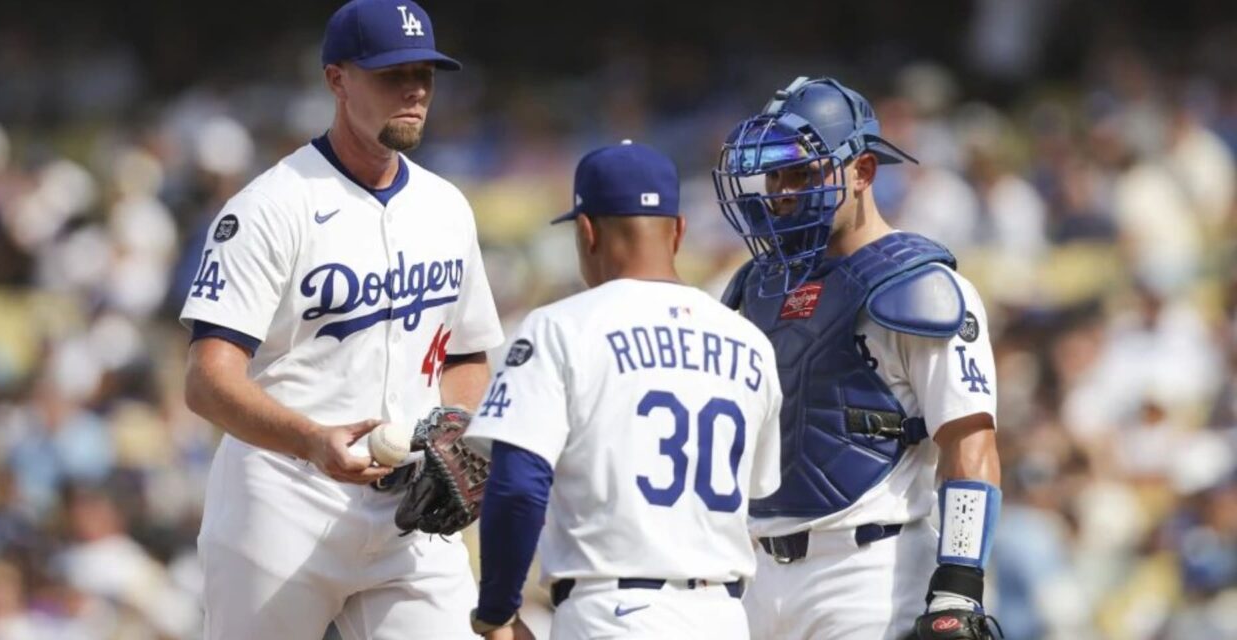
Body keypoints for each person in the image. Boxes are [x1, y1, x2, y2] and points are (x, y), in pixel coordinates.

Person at [179, 1, 503, 637]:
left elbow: (468, 355)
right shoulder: (271, 207)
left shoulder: (446, 206)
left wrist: (456, 426)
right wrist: (308, 440)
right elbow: (206, 377)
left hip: (412, 509)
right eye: (391, 73)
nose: (413, 90)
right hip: (282, 501)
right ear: (337, 79)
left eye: (425, 75)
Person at [713, 77, 1003, 639]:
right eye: (774, 174)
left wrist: (958, 585)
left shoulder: (920, 287)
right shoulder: (756, 285)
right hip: (755, 572)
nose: (781, 191)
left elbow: (970, 440)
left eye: (801, 171)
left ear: (862, 172)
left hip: (869, 572)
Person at [464, 141, 783, 640]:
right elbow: (759, 499)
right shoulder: (750, 342)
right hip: (723, 617)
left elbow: (519, 486)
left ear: (587, 231)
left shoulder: (558, 326)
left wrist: (498, 611)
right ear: (678, 231)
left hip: (611, 612)